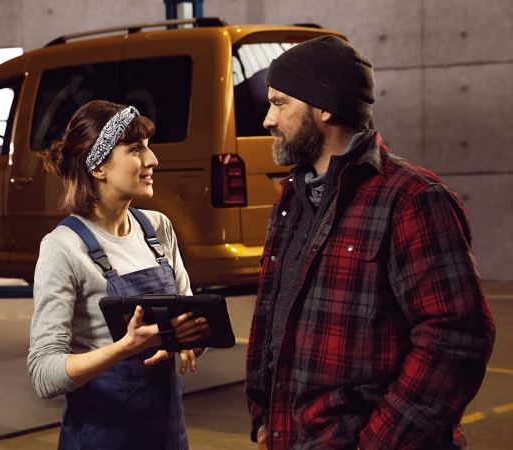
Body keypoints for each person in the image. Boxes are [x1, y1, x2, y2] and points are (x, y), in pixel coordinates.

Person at [245, 36, 496, 450]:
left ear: (323, 107)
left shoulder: (412, 197)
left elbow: (456, 339)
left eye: (280, 103)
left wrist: (379, 443)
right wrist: (262, 417)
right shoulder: (292, 199)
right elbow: (272, 318)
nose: (268, 120)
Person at [27, 100, 208, 450]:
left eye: (148, 148)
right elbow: (44, 375)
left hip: (168, 437)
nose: (152, 160)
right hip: (101, 439)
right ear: (98, 168)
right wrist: (124, 348)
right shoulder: (63, 248)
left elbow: (190, 319)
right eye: (136, 149)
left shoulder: (157, 229)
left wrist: (191, 338)